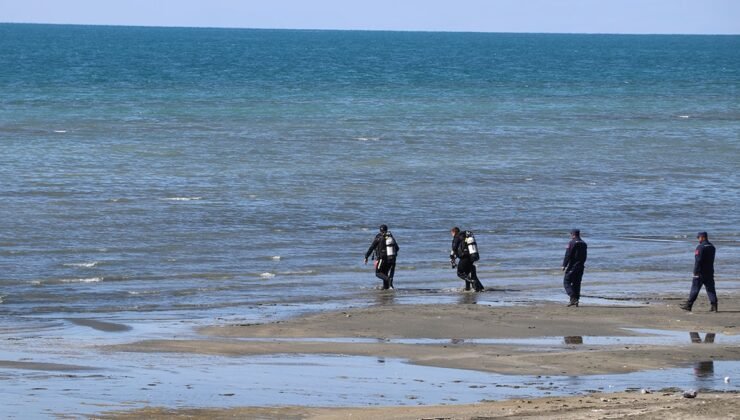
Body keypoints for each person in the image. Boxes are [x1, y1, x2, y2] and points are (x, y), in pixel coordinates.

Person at [680, 232, 717, 312]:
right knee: (710, 289)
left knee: (695, 289)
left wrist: (695, 271)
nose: (698, 239)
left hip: (700, 272)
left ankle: (689, 305)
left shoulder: (700, 247)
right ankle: (714, 306)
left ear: (703, 237)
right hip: (710, 271)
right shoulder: (712, 247)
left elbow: (698, 260)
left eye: (698, 237)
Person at [364, 224, 399, 290]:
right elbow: (397, 248)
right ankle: (386, 288)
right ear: (387, 229)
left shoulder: (378, 237)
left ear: (380, 230)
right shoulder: (390, 237)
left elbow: (371, 247)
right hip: (391, 258)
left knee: (378, 273)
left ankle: (389, 280)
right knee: (384, 273)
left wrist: (366, 257)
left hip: (382, 259)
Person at [450, 227, 484, 292]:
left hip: (464, 258)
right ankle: (471, 288)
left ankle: (472, 281)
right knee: (466, 273)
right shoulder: (464, 237)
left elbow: (454, 248)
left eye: (451, 233)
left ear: (453, 232)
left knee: (459, 273)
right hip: (471, 257)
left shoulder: (457, 237)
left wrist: (452, 257)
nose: (451, 235)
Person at [562, 228, 587, 307]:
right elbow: (585, 256)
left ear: (573, 234)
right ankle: (576, 300)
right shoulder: (584, 243)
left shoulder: (572, 243)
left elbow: (568, 255)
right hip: (581, 266)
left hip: (573, 266)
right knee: (577, 283)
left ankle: (573, 298)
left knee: (566, 281)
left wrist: (564, 265)